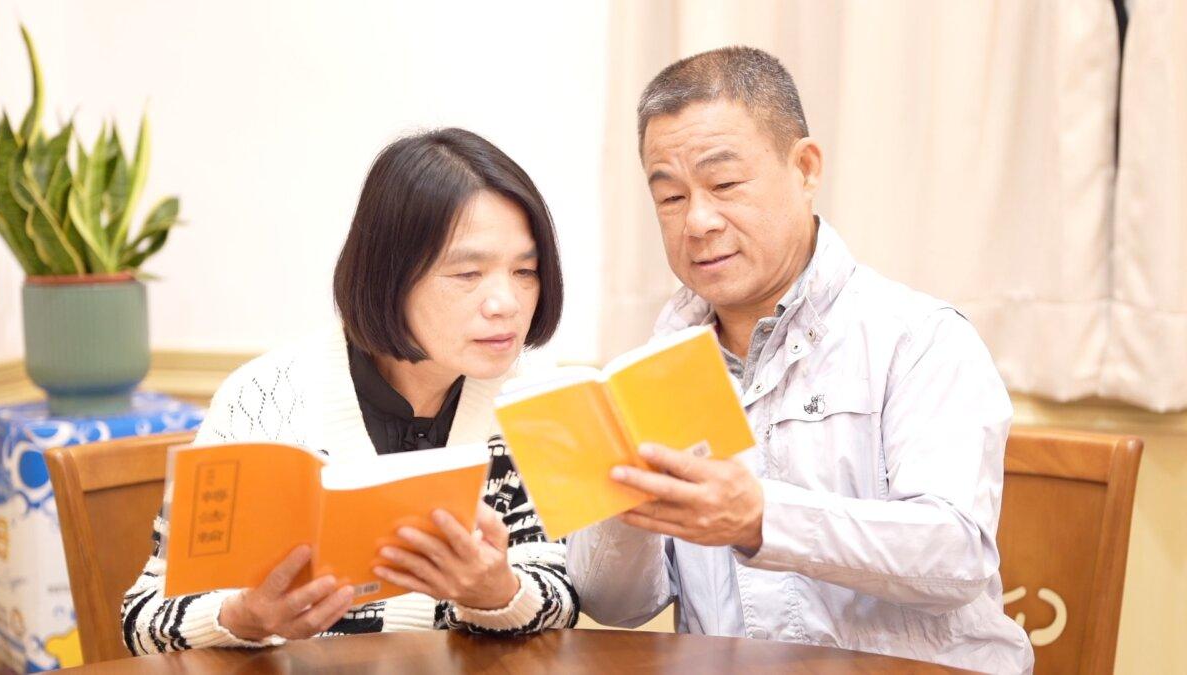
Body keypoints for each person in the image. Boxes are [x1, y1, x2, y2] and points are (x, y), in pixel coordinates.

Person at [567, 46, 1033, 673]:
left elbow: (954, 557)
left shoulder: (919, 337)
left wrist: (761, 518)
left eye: (725, 184)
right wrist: (625, 510)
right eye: (671, 198)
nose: (698, 221)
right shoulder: (656, 366)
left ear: (805, 168)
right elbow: (616, 605)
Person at [122, 128, 578, 654]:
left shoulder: (533, 398)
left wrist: (498, 592)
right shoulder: (264, 398)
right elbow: (144, 619)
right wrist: (244, 616)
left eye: (526, 271)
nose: (506, 302)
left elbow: (560, 590)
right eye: (468, 273)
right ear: (389, 275)